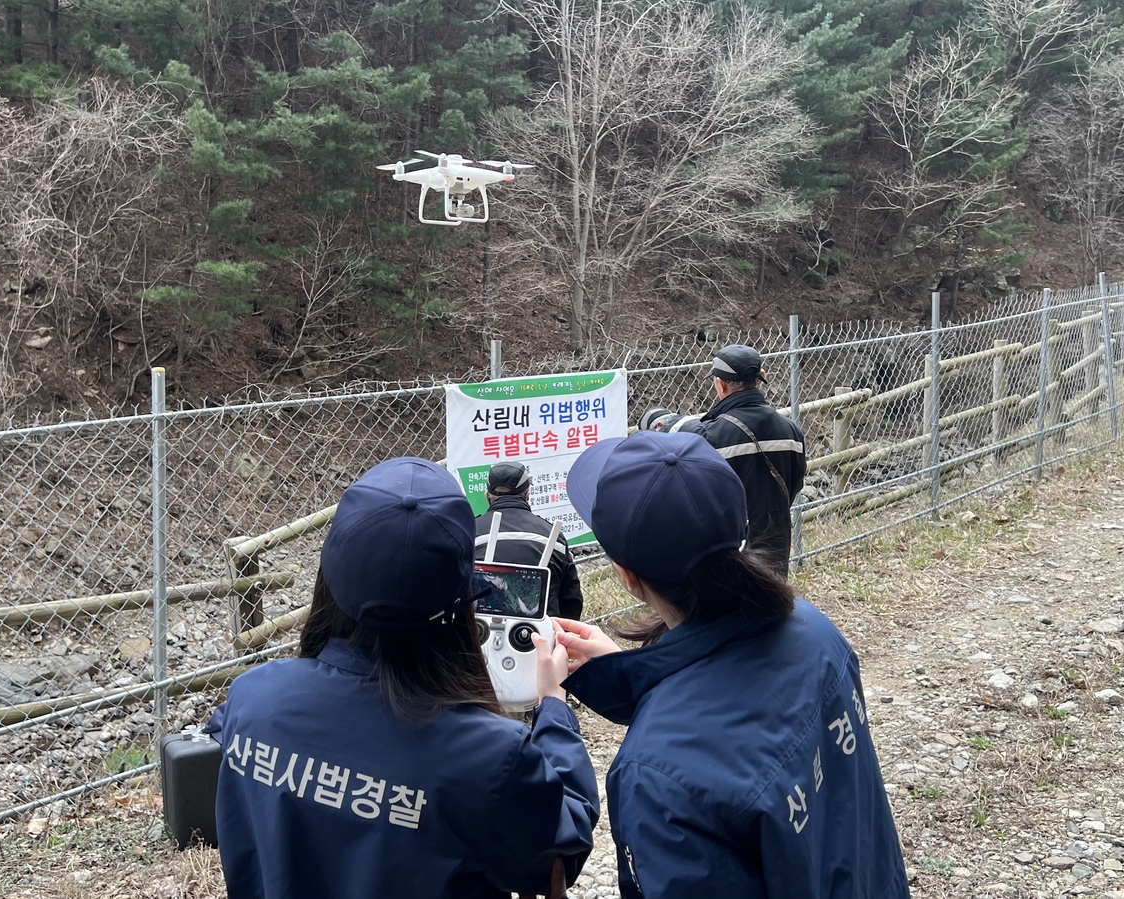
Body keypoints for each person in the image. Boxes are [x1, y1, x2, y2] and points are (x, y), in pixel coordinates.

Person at [208, 457, 599, 899]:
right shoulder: (491, 755)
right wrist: (553, 705)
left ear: (328, 577)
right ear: (460, 605)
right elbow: (563, 843)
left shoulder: (252, 698)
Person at [550, 431, 909, 899]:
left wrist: (561, 703)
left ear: (626, 575)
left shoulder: (654, 777)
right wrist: (630, 678)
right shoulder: (814, 629)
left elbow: (704, 749)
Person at [638, 344, 806, 576]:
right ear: (760, 378)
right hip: (776, 547)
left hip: (730, 552)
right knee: (773, 604)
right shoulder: (791, 430)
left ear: (721, 383)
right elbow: (796, 483)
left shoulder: (710, 435)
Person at [474, 461, 584, 619]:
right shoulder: (553, 535)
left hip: (480, 635)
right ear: (527, 495)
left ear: (487, 497)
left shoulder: (469, 533)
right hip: (543, 635)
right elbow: (571, 601)